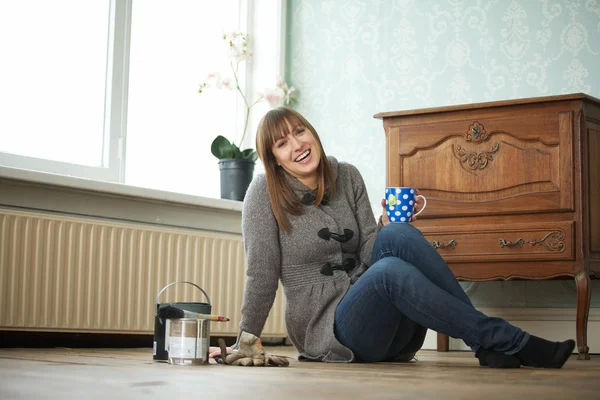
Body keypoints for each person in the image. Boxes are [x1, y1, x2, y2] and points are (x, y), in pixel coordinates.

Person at [212, 107, 575, 368]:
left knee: (398, 234)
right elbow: (261, 273)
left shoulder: (347, 175)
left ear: (312, 133)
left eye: (299, 132)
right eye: (281, 143)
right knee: (388, 272)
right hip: (329, 330)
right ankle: (509, 342)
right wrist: (246, 338)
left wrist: (389, 221)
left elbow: (372, 244)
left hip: (385, 324)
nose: (296, 145)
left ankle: (488, 343)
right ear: (273, 159)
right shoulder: (263, 193)